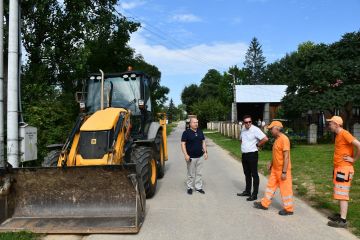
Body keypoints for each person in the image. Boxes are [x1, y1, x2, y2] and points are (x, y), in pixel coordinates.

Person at [254, 120, 294, 215]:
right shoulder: (277, 139)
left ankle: (289, 209)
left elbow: (286, 157)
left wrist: (284, 172)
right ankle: (264, 204)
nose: (270, 130)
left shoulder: (284, 139)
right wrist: (271, 164)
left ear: (277, 128)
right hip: (275, 170)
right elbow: (276, 154)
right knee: (270, 187)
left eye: (271, 128)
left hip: (282, 171)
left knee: (285, 190)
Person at [326, 116, 360, 228]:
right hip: (339, 168)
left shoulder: (344, 133)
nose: (329, 125)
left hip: (344, 169)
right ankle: (341, 215)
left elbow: (359, 145)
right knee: (339, 193)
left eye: (330, 123)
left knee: (342, 195)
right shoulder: (338, 135)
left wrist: (354, 159)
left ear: (336, 124)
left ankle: (343, 221)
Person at [237, 115, 268, 201]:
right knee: (247, 173)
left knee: (254, 174)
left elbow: (265, 139)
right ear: (244, 122)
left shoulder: (255, 129)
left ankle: (254, 194)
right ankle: (247, 191)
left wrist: (258, 145)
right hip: (244, 154)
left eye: (250, 122)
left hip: (252, 154)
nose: (248, 124)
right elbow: (241, 139)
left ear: (251, 121)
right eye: (246, 122)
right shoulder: (243, 128)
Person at [181, 117, 208, 195]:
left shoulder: (200, 131)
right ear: (190, 124)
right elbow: (183, 144)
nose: (196, 124)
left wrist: (205, 152)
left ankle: (198, 187)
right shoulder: (186, 133)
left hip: (200, 156)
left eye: (197, 122)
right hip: (190, 157)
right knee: (190, 173)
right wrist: (185, 154)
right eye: (194, 122)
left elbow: (203, 142)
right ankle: (190, 187)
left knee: (199, 173)